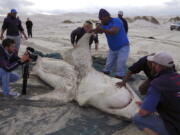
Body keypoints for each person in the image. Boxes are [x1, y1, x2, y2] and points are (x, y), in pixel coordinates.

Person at [133, 52, 180, 135]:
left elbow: (143, 113)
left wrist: (146, 108)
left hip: (175, 126)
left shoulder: (157, 84)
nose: (151, 66)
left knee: (138, 118)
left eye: (152, 64)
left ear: (157, 66)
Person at [94, 9, 129, 79]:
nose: (101, 21)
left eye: (102, 19)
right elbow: (98, 31)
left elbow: (114, 32)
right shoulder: (104, 24)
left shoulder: (117, 20)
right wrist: (93, 29)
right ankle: (105, 77)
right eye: (100, 19)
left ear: (107, 16)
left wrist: (102, 29)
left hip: (123, 47)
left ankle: (119, 79)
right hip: (112, 48)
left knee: (120, 64)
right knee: (107, 65)